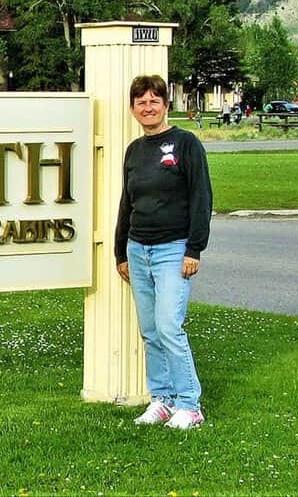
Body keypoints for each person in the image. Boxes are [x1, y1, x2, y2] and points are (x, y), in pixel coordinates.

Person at [115, 74, 212, 430]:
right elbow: (127, 202)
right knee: (151, 330)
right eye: (140, 102)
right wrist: (120, 253)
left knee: (170, 326)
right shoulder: (135, 151)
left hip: (174, 249)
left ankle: (190, 404)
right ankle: (163, 399)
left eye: (154, 100)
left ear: (166, 105)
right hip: (138, 249)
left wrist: (194, 249)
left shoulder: (185, 144)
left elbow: (202, 198)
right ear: (132, 109)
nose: (147, 107)